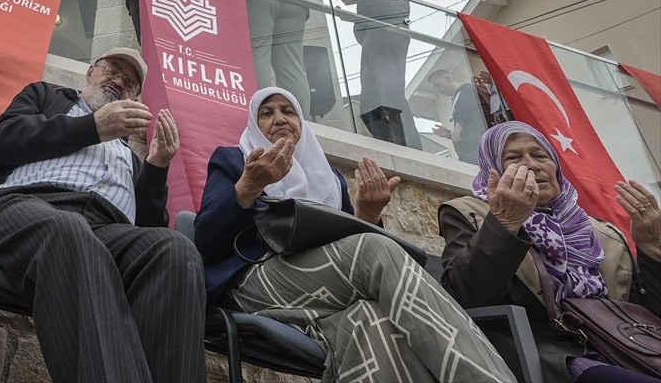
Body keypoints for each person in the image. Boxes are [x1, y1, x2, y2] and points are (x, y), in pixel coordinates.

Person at [195, 86, 516, 383]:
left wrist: (368, 215)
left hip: (320, 293)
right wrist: (248, 187)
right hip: (250, 286)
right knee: (376, 250)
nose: (279, 118)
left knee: (371, 322)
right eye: (267, 113)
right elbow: (206, 242)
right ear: (254, 123)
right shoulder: (235, 160)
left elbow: (342, 242)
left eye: (288, 111)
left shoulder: (326, 177)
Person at [0, 47, 207, 382]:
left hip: (106, 231)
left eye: (130, 82)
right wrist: (93, 127)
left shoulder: (130, 159)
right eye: (112, 70)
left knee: (176, 251)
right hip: (23, 210)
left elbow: (147, 228)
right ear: (91, 72)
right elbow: (2, 142)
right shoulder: (46, 96)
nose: (118, 81)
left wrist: (156, 169)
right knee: (70, 230)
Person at [438, 122, 661, 383]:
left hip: (627, 350)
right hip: (552, 356)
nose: (532, 165)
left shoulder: (601, 233)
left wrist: (652, 250)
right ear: (493, 170)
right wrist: (505, 223)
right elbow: (463, 296)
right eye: (513, 157)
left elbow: (646, 312)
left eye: (540, 155)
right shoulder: (471, 213)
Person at [337, 0, 421, 149]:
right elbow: (379, 6)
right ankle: (391, 147)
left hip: (386, 35)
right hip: (375, 38)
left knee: (389, 94)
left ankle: (408, 149)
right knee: (370, 104)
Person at [428, 69, 487, 164]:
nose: (437, 89)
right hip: (468, 154)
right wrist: (449, 134)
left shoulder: (467, 90)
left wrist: (461, 124)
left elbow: (478, 111)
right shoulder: (457, 97)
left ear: (448, 78)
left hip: (476, 151)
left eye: (437, 85)